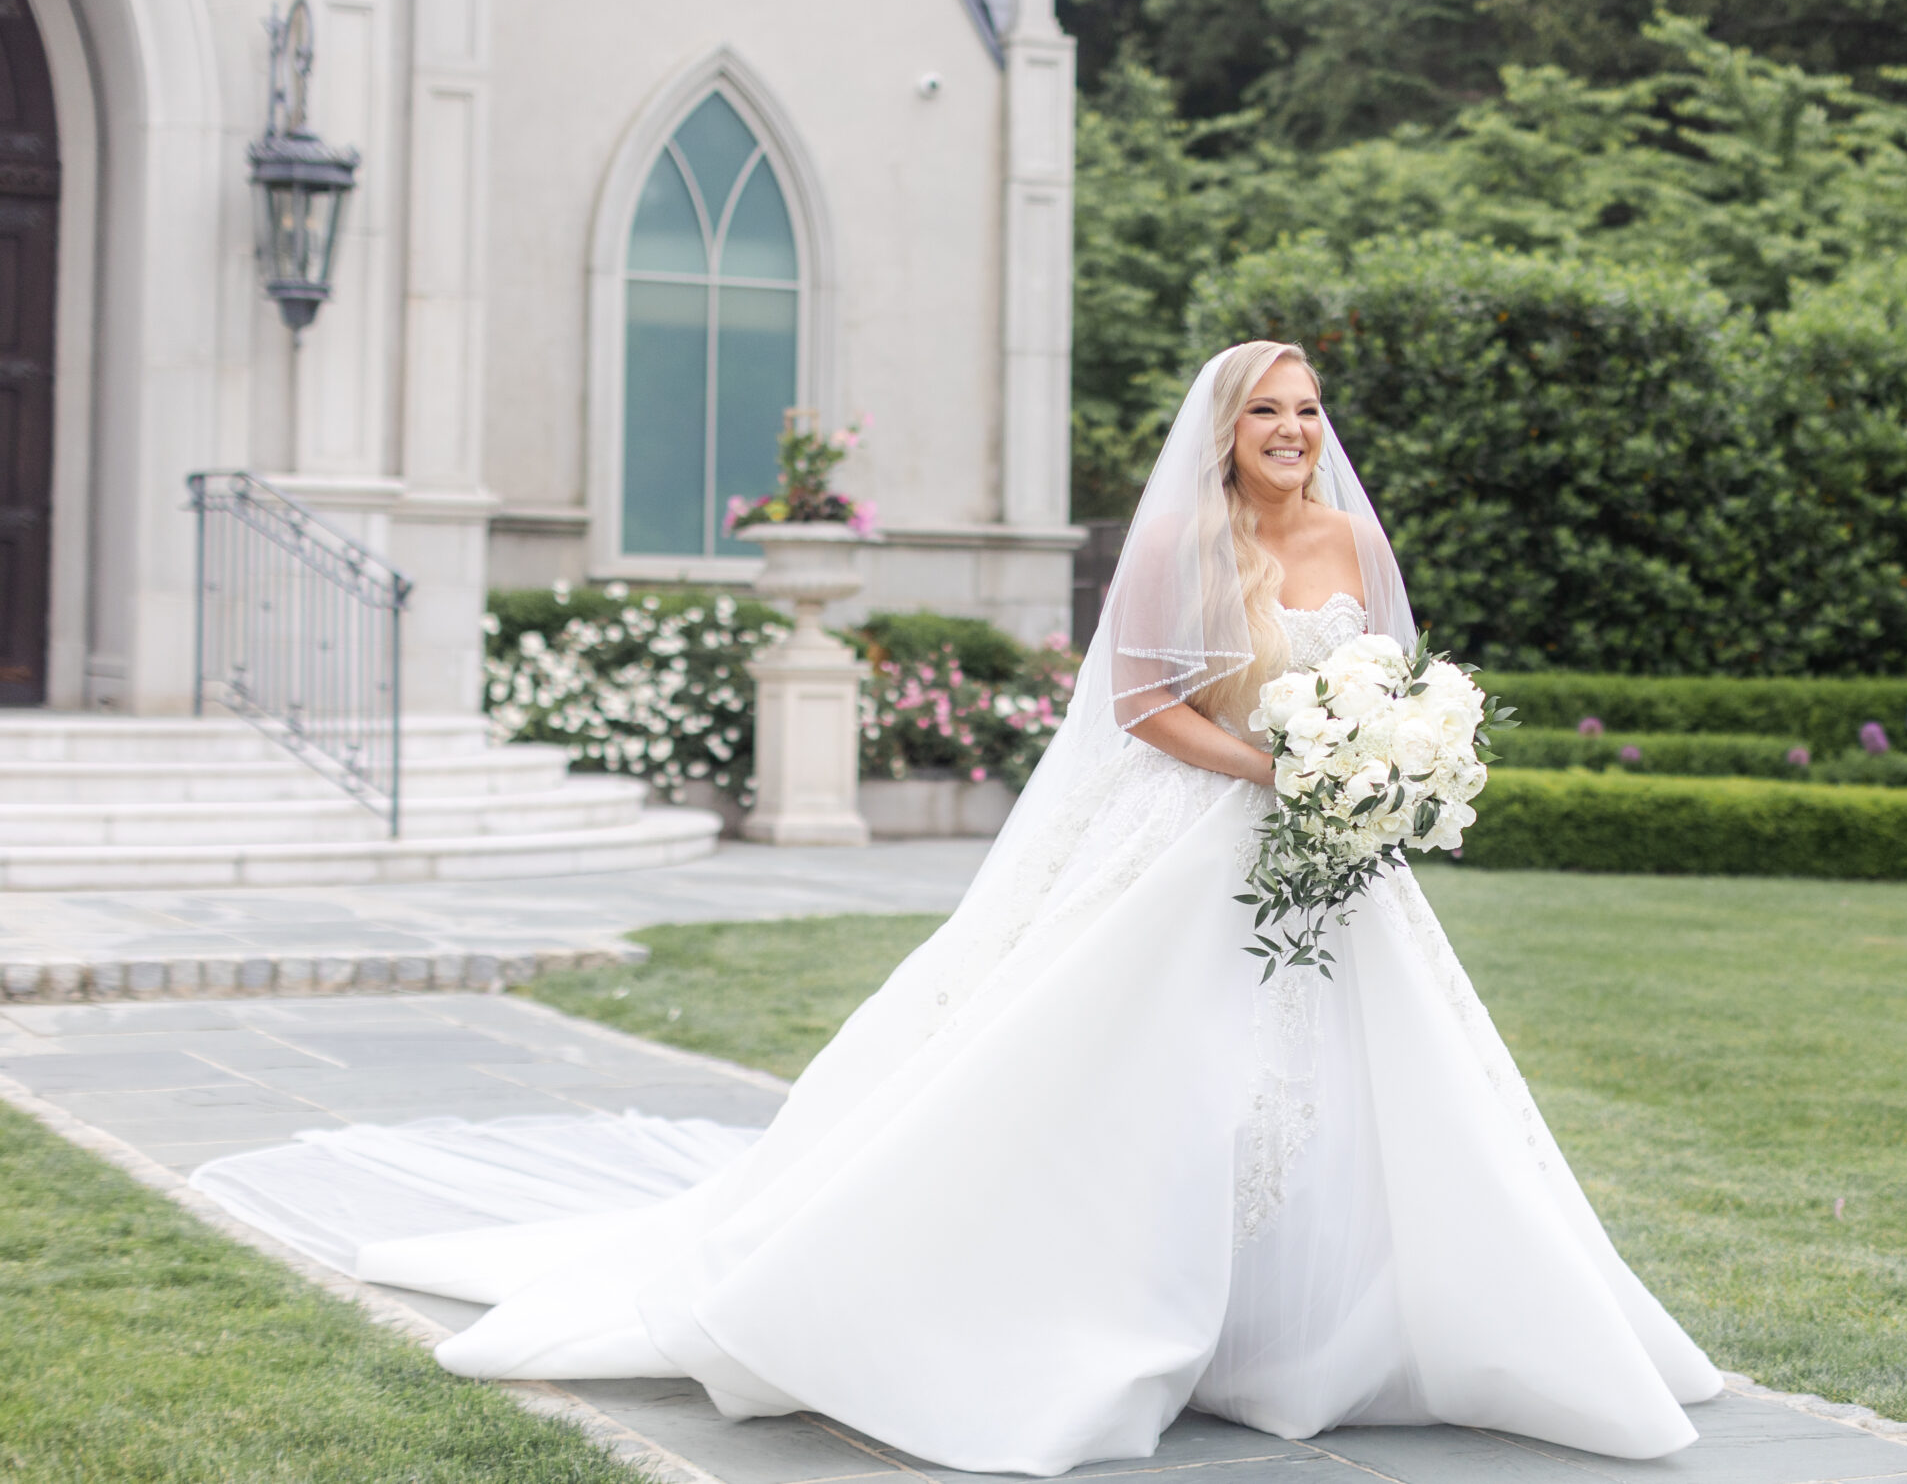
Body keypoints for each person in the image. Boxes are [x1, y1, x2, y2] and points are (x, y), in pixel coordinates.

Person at [193, 340, 1721, 1477]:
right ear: (1224, 430)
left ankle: (1336, 1333)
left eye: (1310, 412)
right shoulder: (1186, 543)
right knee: (1146, 1076)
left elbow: (1389, 679)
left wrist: (1384, 764)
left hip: (1330, 860)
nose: (1294, 434)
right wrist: (1279, 765)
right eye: (1268, 411)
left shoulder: (1348, 540)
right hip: (1202, 833)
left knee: (1374, 1092)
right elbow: (1140, 710)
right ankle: (1119, 1314)